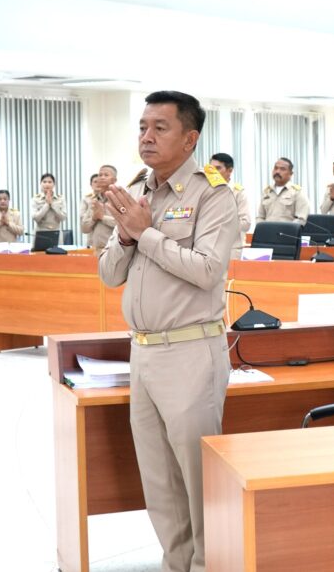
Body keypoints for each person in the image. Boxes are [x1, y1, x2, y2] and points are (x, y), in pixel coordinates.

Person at [98, 90, 238, 572]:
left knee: (199, 485)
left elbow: (207, 270)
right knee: (160, 485)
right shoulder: (138, 191)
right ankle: (177, 566)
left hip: (190, 352)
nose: (147, 136)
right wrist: (125, 233)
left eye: (160, 127)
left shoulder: (212, 192)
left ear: (190, 138)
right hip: (143, 353)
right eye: (142, 126)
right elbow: (109, 275)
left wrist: (146, 232)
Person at [209, 153, 251, 256]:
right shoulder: (204, 191)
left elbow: (246, 223)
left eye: (218, 168)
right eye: (211, 168)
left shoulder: (238, 192)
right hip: (207, 248)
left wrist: (221, 225)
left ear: (229, 170)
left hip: (231, 249)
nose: (213, 172)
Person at [255, 157, 309, 225]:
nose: (277, 171)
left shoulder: (297, 192)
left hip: (288, 231)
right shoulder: (267, 192)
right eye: (275, 168)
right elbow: (260, 217)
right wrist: (262, 228)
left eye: (282, 169)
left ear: (291, 174)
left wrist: (286, 229)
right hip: (268, 231)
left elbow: (301, 219)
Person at [81, 165, 119, 251]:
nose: (102, 177)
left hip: (113, 249)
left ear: (114, 180)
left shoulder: (119, 199)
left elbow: (123, 225)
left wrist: (102, 217)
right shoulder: (94, 200)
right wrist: (94, 218)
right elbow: (84, 229)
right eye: (100, 175)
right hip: (94, 249)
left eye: (106, 175)